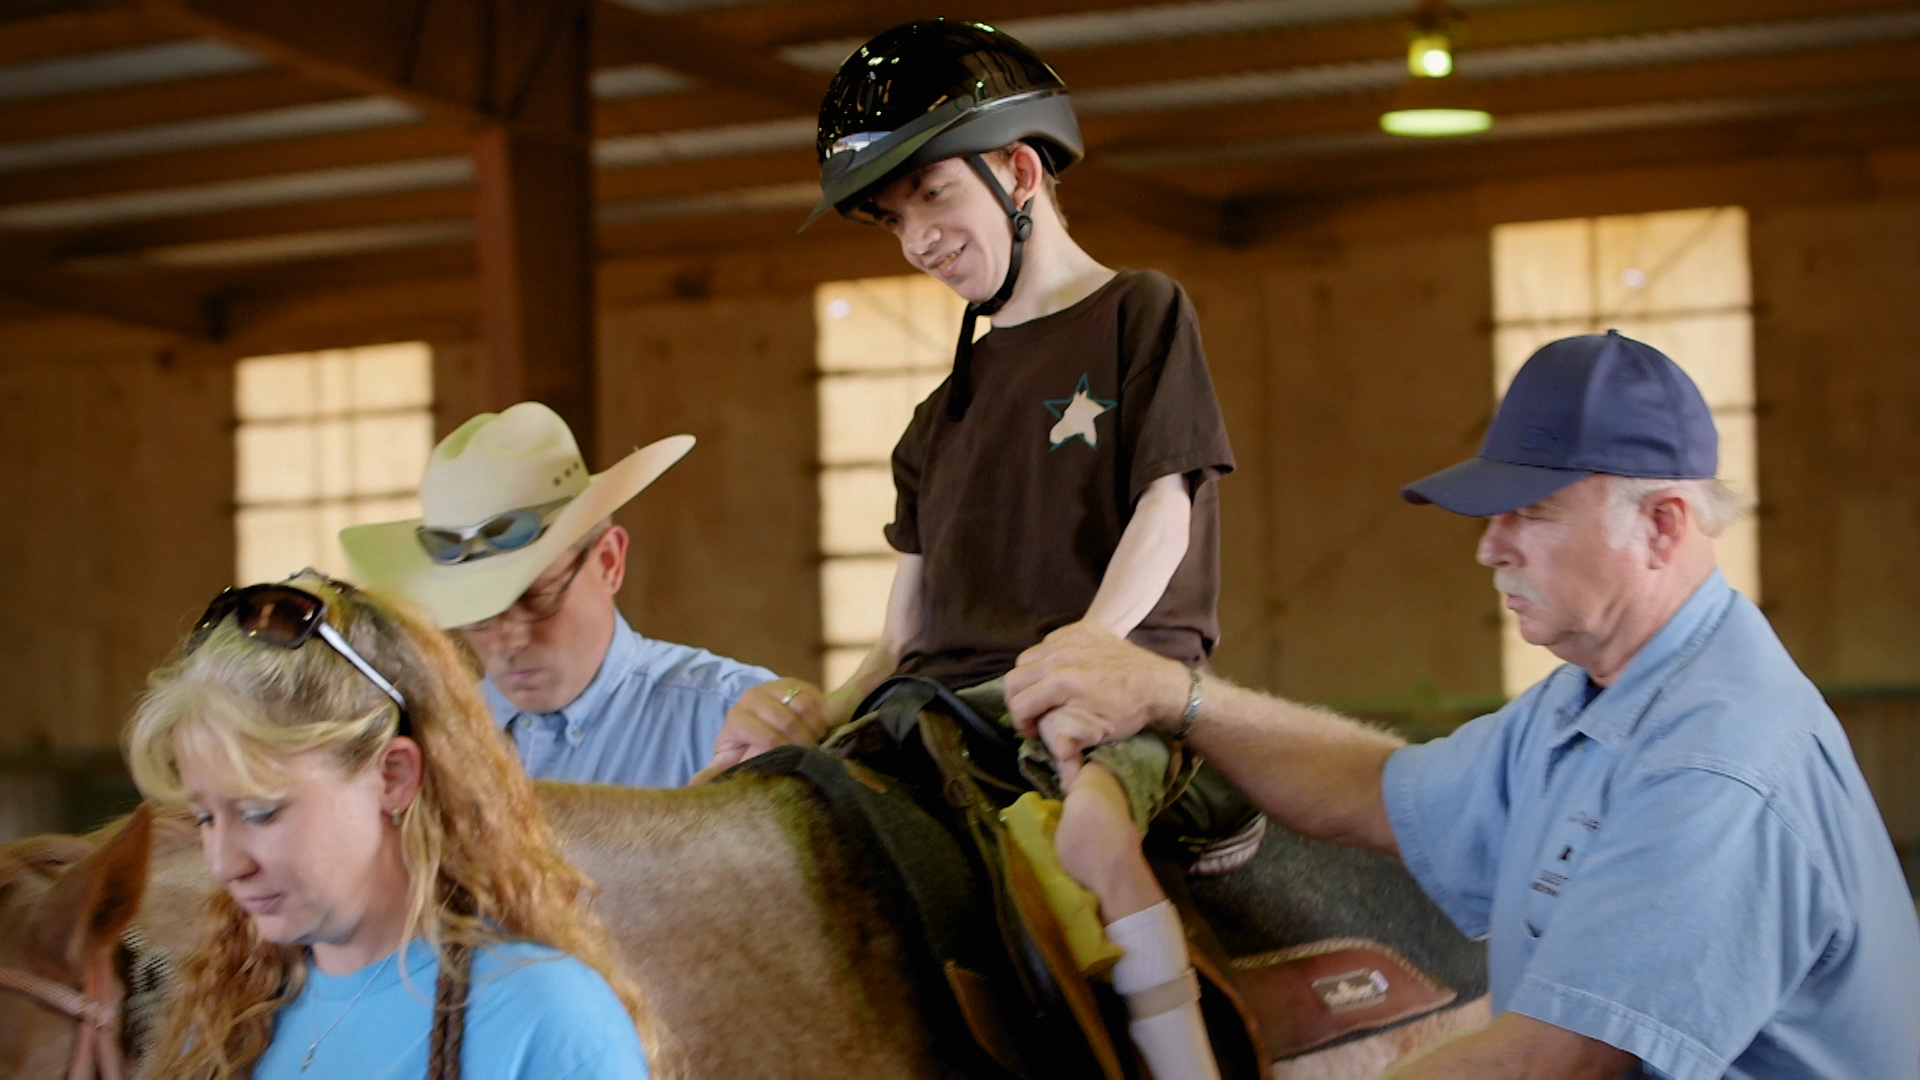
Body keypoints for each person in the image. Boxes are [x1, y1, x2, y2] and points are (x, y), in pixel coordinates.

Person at [1004, 331, 1920, 1079]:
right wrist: (1172, 693)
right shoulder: (1590, 701)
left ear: (1664, 524)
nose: (1491, 550)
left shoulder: (1717, 758)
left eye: (1534, 512)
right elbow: (1375, 790)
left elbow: (1547, 1064)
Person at [703, 20, 1250, 1079]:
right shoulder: (931, 420)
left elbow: (1165, 508)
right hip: (946, 710)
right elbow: (905, 629)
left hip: (1110, 690)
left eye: (935, 198)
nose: (917, 240)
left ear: (1019, 170)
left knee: (1090, 842)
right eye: (894, 220)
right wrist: (824, 710)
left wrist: (1089, 648)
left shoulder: (1140, 313)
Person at [123, 570, 650, 1079]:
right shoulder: (226, 1023)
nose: (223, 863)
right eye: (205, 818)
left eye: (262, 812)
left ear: (392, 776)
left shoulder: (547, 1022)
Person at [341, 401, 781, 789]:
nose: (505, 641)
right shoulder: (429, 745)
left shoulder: (730, 722)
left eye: (536, 597)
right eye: (475, 613)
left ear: (608, 562)